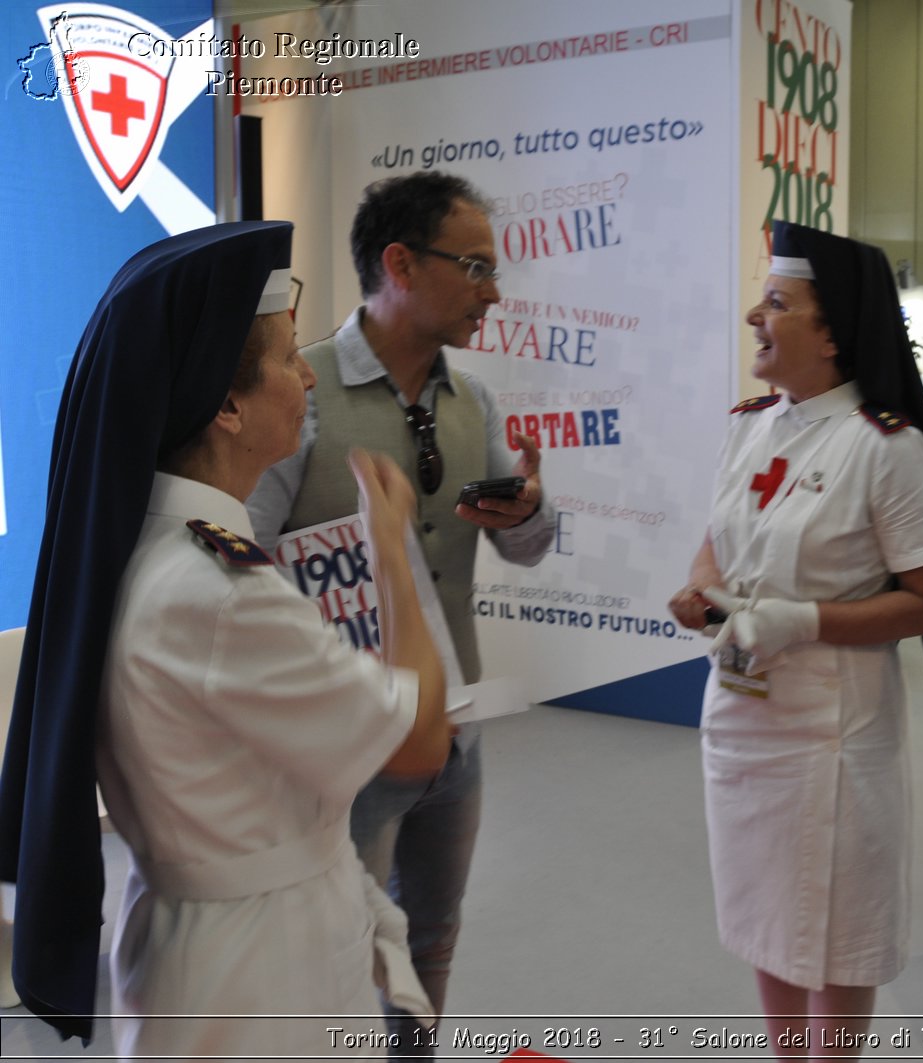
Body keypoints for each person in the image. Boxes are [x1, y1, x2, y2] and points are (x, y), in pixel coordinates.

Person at [0, 221, 450, 1054]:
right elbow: (421, 740)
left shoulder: (155, 552)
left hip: (220, 946)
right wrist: (393, 550)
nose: (308, 375)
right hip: (262, 975)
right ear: (228, 404)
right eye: (287, 359)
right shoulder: (217, 591)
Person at [247, 171, 554, 1057]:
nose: (494, 292)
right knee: (340, 953)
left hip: (454, 736)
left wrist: (529, 510)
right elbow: (244, 558)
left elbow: (527, 548)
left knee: (432, 938)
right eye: (475, 266)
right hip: (343, 746)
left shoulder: (476, 401)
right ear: (399, 264)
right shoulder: (298, 388)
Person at [667, 220, 923, 1055]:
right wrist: (700, 590)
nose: (752, 317)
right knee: (765, 907)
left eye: (776, 302)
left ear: (833, 329)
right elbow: (718, 535)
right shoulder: (751, 426)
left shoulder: (887, 447)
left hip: (831, 735)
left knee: (836, 916)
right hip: (742, 716)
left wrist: (799, 620)